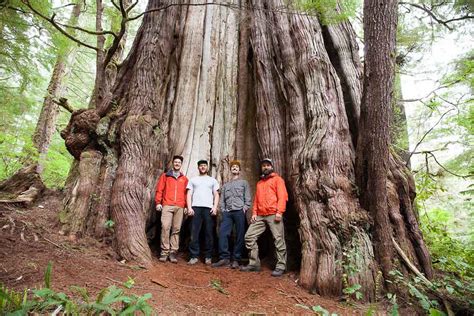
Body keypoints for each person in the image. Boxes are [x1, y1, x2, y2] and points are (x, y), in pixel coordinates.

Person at [240, 158, 288, 277]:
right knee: (249, 236)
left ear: (271, 167)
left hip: (273, 214)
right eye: (263, 166)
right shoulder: (260, 183)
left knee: (278, 239)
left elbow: (283, 196)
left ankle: (281, 266)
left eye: (267, 165)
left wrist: (279, 212)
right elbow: (256, 200)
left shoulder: (278, 180)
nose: (265, 167)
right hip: (260, 215)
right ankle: (254, 264)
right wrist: (254, 213)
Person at [212, 160, 251, 269]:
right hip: (228, 213)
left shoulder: (244, 183)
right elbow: (222, 199)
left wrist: (244, 208)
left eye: (236, 167)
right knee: (223, 233)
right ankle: (224, 258)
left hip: (239, 211)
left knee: (239, 235)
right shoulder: (225, 185)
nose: (234, 168)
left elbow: (247, 198)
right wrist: (224, 210)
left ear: (239, 170)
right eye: (233, 167)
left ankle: (236, 259)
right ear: (230, 170)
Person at [155, 155, 189, 263]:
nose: (177, 164)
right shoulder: (165, 176)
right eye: (175, 162)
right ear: (173, 163)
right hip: (167, 205)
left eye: (179, 162)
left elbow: (187, 194)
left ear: (181, 164)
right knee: (165, 227)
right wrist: (158, 202)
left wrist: (186, 206)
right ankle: (164, 252)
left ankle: (173, 252)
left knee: (176, 229)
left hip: (179, 206)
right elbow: (160, 189)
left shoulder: (184, 179)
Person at [186, 160, 220, 265]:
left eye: (204, 165)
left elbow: (216, 194)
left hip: (208, 209)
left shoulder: (212, 180)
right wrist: (189, 207)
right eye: (201, 166)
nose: (203, 167)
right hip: (195, 208)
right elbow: (189, 194)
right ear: (198, 167)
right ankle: (194, 256)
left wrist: (215, 207)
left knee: (209, 233)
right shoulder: (193, 180)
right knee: (194, 233)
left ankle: (208, 256)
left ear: (207, 167)